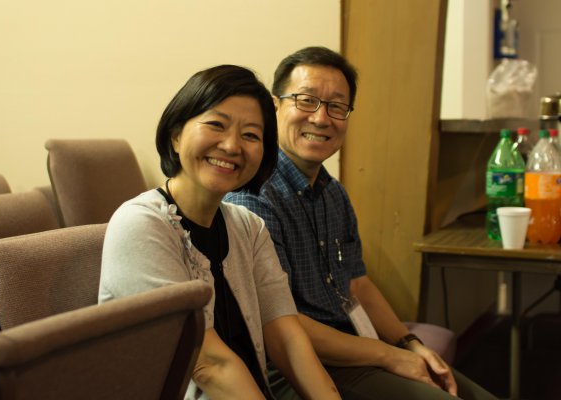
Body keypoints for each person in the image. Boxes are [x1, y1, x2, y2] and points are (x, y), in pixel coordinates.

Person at [225, 47, 498, 400]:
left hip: (353, 349)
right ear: (275, 107)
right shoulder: (252, 198)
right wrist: (389, 355)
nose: (321, 118)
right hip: (295, 365)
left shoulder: (332, 193)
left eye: (337, 106)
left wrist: (410, 343)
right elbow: (280, 323)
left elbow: (357, 284)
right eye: (306, 100)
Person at [98, 64, 340, 400]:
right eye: (216, 125)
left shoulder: (249, 227)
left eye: (251, 135)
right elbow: (208, 365)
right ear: (176, 135)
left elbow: (286, 337)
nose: (231, 146)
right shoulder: (141, 224)